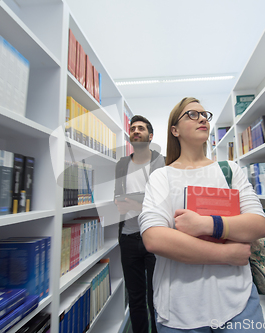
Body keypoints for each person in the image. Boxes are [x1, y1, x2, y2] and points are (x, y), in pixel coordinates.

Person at [138, 97, 265, 332]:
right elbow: (154, 238)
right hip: (178, 308)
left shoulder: (230, 170)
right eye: (192, 114)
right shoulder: (161, 177)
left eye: (204, 115)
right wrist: (226, 253)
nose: (202, 119)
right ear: (174, 130)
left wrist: (206, 225)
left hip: (239, 301)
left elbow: (258, 225)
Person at [114, 115, 165, 333]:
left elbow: (162, 200)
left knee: (156, 295)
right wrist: (134, 202)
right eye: (133, 128)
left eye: (141, 128)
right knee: (135, 296)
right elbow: (118, 199)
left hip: (154, 237)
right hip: (128, 237)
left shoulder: (161, 162)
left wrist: (134, 202)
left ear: (150, 136)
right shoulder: (122, 164)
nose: (136, 131)